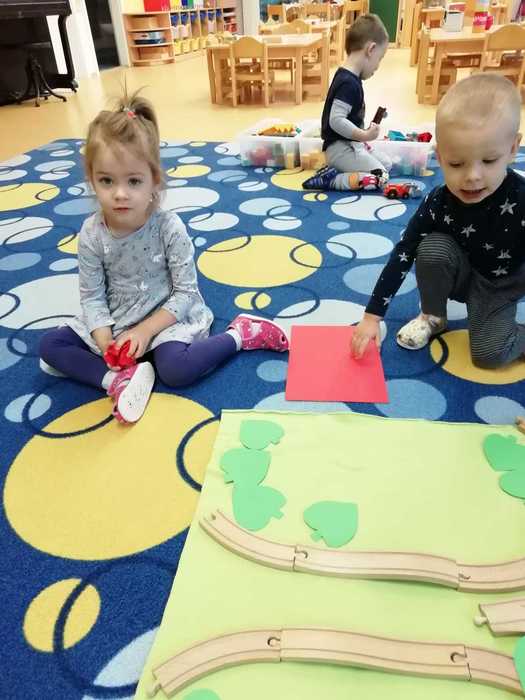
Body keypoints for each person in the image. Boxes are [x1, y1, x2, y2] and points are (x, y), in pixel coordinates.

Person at [39, 91, 289, 424]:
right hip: (116, 316)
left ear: (154, 181)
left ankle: (241, 334)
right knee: (50, 346)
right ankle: (116, 381)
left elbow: (185, 293)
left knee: (176, 370)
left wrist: (144, 332)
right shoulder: (91, 232)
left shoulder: (168, 228)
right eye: (106, 181)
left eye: (134, 181)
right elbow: (92, 296)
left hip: (165, 315)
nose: (120, 193)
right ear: (91, 179)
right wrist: (104, 340)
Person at [351, 73, 525, 369]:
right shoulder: (438, 201)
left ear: (512, 149)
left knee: (489, 355)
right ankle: (433, 317)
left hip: (500, 285)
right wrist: (371, 317)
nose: (472, 176)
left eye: (489, 161)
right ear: (440, 156)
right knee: (430, 248)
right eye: (456, 163)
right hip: (461, 272)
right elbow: (404, 252)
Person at [310, 13, 391, 191]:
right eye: (379, 59)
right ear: (371, 49)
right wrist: (364, 135)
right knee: (381, 176)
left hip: (351, 145)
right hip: (339, 150)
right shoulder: (348, 83)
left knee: (387, 164)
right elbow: (336, 120)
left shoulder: (350, 78)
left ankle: (342, 171)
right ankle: (331, 180)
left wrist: (363, 135)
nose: (377, 66)